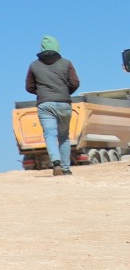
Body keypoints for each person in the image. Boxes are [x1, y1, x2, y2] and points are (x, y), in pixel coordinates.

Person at [25, 35, 80, 176]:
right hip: (64, 103)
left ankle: (56, 162)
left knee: (49, 134)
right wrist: (65, 92)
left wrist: (41, 93)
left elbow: (29, 86)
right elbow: (75, 83)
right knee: (64, 136)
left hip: (45, 104)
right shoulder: (66, 63)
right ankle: (66, 168)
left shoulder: (34, 65)